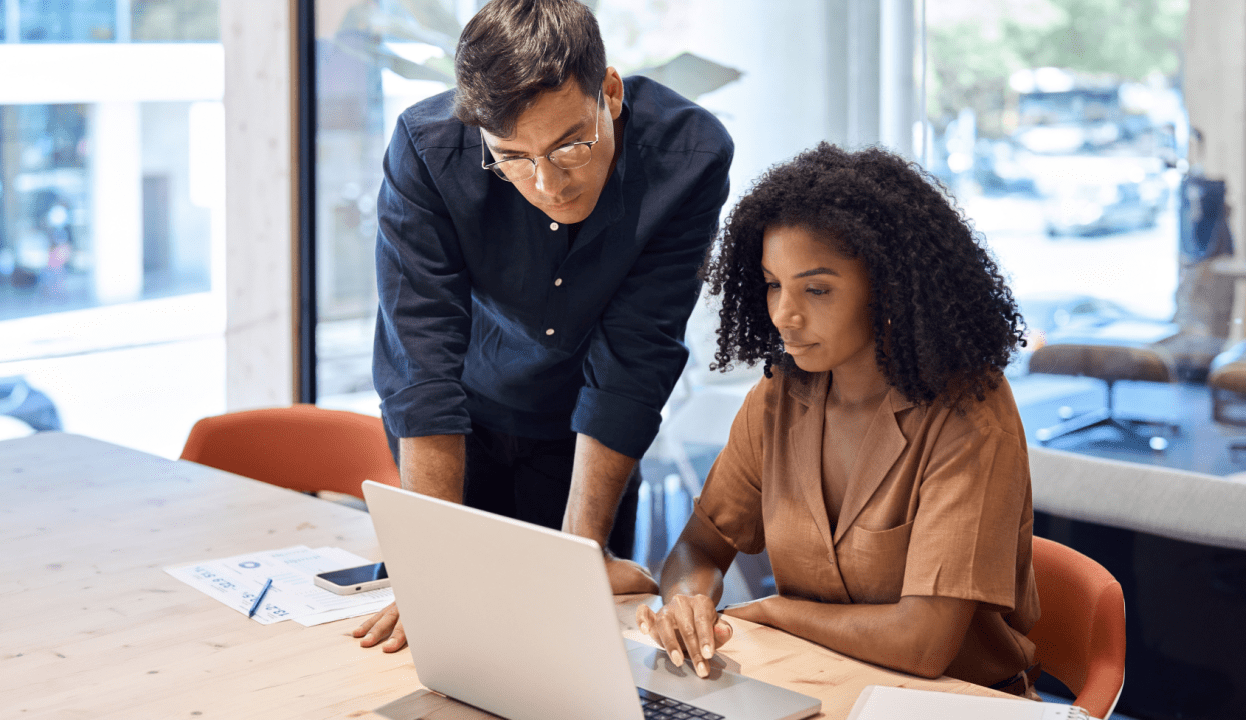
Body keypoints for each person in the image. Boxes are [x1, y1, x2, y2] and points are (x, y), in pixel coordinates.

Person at [356, 0, 733, 653]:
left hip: (585, 438)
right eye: (512, 157)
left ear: (608, 92)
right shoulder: (427, 150)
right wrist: (432, 571)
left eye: (570, 145)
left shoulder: (687, 156)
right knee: (443, 631)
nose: (547, 184)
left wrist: (581, 552)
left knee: (569, 642)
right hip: (458, 430)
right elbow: (422, 363)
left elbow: (634, 360)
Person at [636, 143, 1042, 697]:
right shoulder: (778, 398)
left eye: (817, 289)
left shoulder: (968, 410)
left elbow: (922, 644)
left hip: (953, 702)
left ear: (889, 286)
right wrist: (687, 602)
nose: (784, 313)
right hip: (817, 682)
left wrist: (777, 612)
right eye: (773, 283)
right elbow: (700, 547)